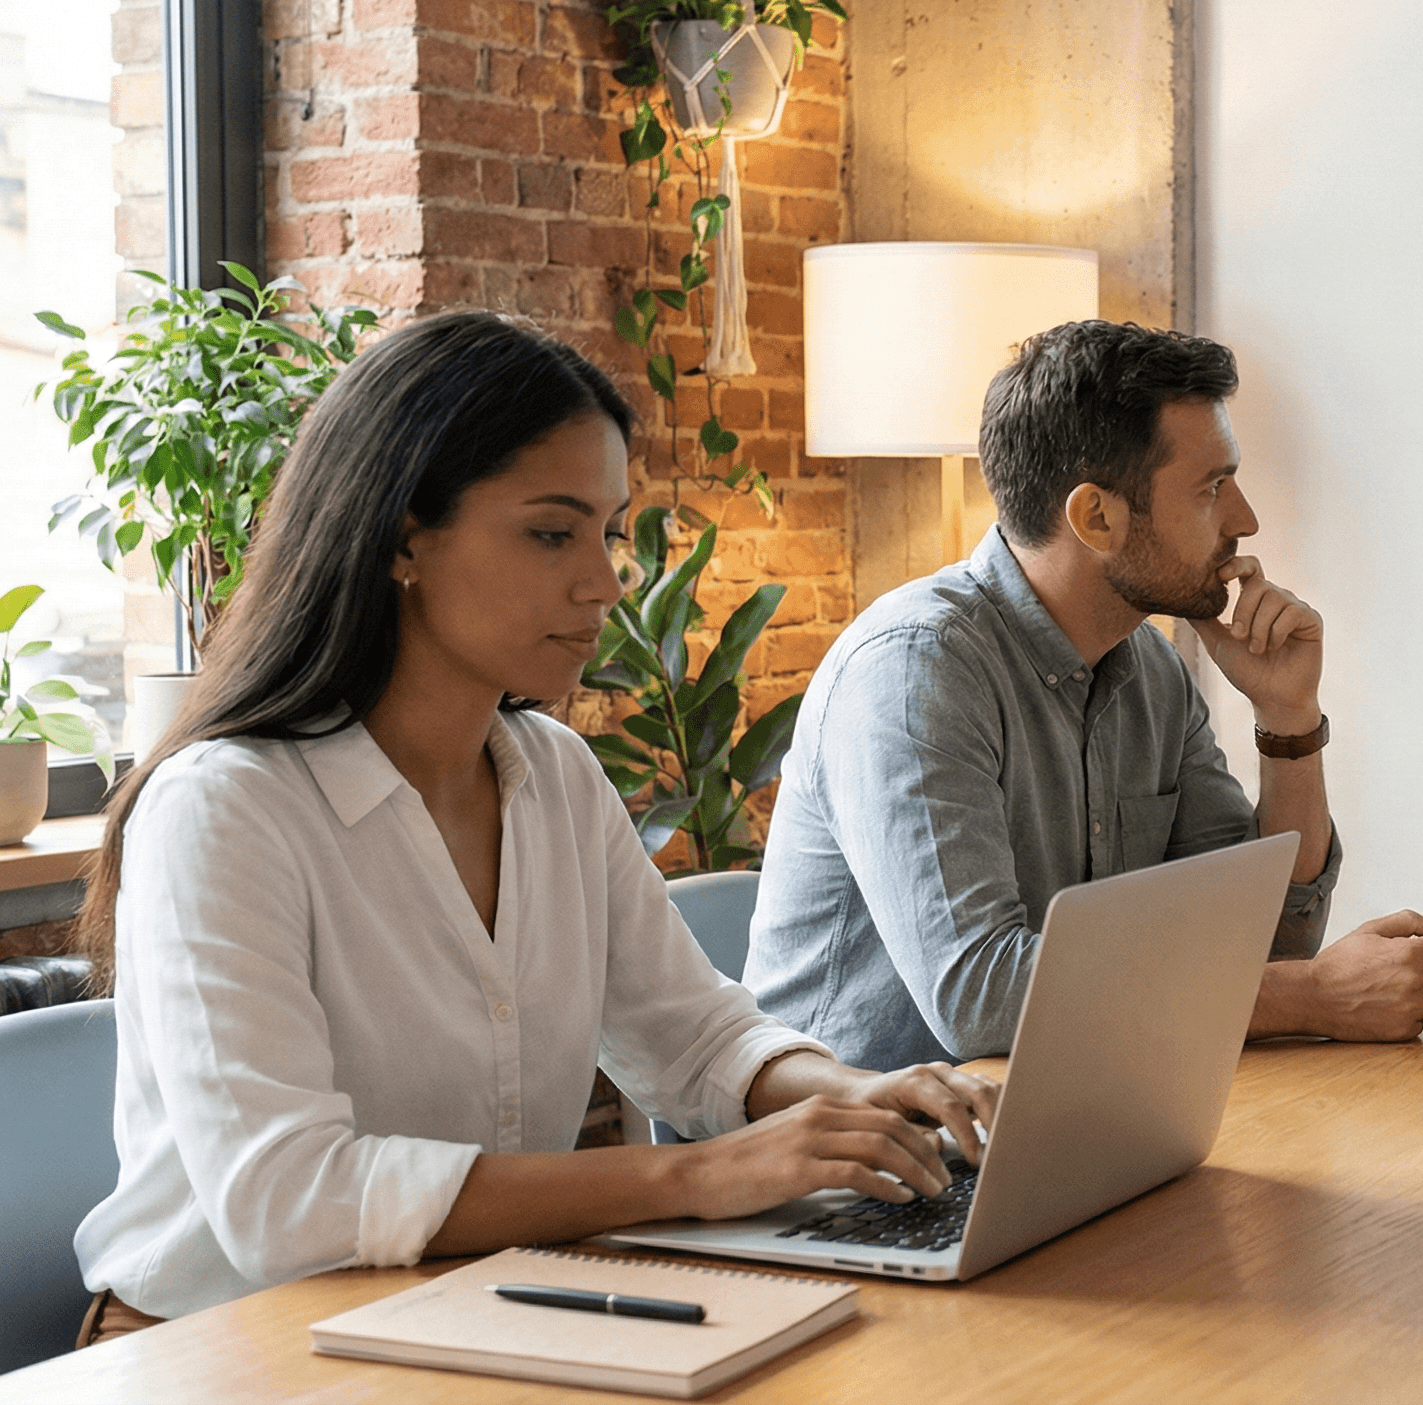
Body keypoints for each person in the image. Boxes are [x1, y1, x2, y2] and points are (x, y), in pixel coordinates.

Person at [67, 313, 998, 1334]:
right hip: (217, 1346)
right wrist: (689, 1175)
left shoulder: (552, 774)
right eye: (552, 533)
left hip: (468, 1308)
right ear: (400, 539)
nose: (603, 583)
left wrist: (857, 1097)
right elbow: (290, 1203)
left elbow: (688, 1035)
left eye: (606, 533)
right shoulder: (224, 808)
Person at [747, 321, 1423, 1068]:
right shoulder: (915, 672)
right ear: (1097, 518)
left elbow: (1267, 943)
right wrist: (1308, 999)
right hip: (867, 1162)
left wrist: (1288, 720)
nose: (1245, 521)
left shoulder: (1151, 668)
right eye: (1212, 488)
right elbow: (980, 1001)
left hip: (1075, 1108)